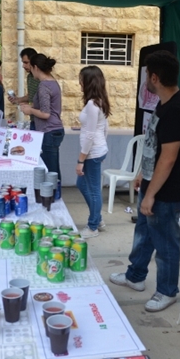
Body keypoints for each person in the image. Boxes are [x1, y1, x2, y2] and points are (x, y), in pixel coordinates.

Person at [109, 50, 180, 312]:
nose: (146, 78)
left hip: (167, 192)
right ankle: (135, 276)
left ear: (155, 77)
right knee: (144, 234)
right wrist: (141, 174)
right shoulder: (164, 104)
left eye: (147, 74)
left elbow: (168, 159)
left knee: (166, 242)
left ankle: (167, 291)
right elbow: (154, 147)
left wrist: (150, 195)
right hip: (152, 183)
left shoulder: (178, 110)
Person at [75, 66, 110, 239]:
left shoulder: (92, 104)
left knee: (95, 191)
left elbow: (90, 135)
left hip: (92, 153)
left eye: (81, 80)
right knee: (82, 184)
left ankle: (93, 226)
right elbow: (103, 127)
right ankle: (98, 219)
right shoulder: (99, 100)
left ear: (89, 82)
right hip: (96, 150)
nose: (79, 83)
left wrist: (81, 159)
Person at [20, 54, 64, 181]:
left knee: (50, 170)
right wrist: (30, 106)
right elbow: (45, 105)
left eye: (30, 67)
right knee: (53, 169)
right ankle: (55, 195)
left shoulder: (43, 85)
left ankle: (54, 197)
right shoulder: (52, 82)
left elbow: (45, 113)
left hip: (49, 130)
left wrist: (30, 110)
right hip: (54, 130)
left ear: (36, 67)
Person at [8, 47, 39, 130]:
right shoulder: (30, 77)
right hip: (33, 120)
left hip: (44, 124)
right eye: (23, 62)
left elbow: (44, 103)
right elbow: (31, 96)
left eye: (26, 62)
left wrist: (29, 106)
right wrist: (18, 100)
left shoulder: (42, 79)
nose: (23, 66)